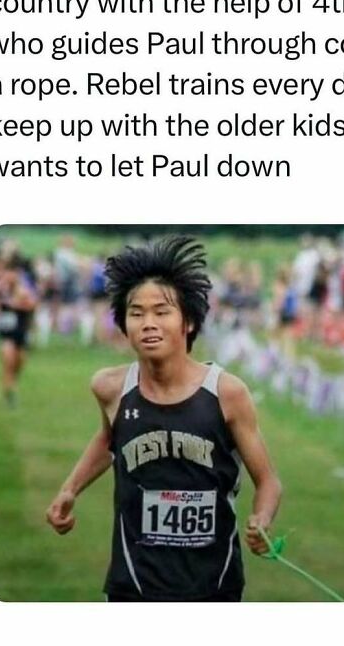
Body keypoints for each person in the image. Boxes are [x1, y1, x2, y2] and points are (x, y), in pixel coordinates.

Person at [46, 237, 282, 601]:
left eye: (161, 311)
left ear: (188, 321)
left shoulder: (227, 393)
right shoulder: (111, 388)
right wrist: (69, 490)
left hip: (214, 586)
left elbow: (268, 482)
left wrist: (261, 519)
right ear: (123, 324)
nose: (148, 323)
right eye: (136, 313)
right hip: (133, 586)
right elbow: (109, 441)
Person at [0, 255, 37, 407]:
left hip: (21, 332)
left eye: (12, 273)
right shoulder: (1, 291)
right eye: (7, 273)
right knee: (8, 360)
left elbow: (32, 306)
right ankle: (9, 393)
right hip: (7, 334)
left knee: (19, 362)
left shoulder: (23, 291)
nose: (8, 277)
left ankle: (12, 382)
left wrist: (16, 305)